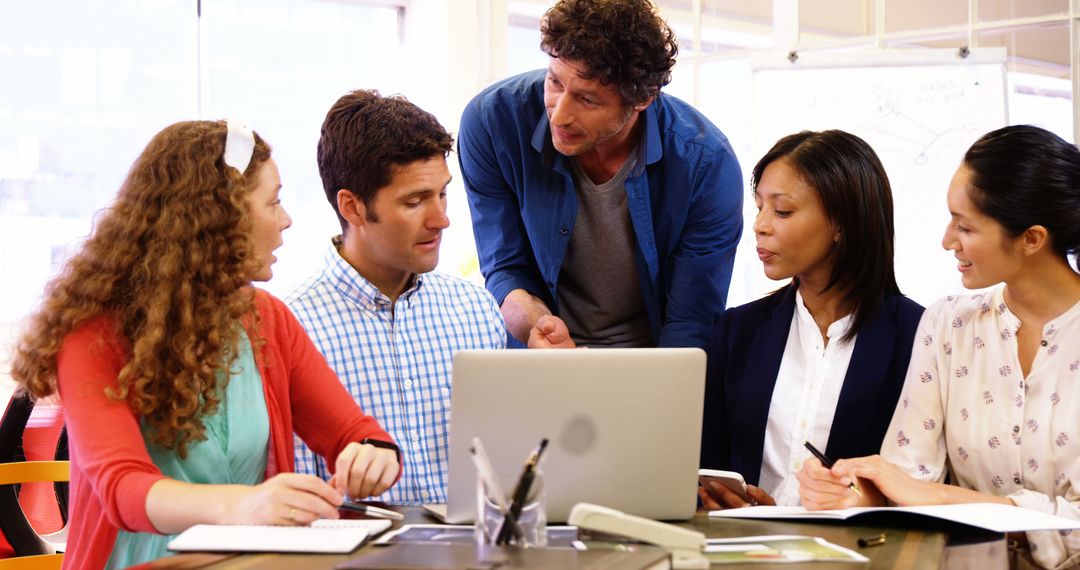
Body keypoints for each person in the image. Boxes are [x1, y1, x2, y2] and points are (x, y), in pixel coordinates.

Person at [8, 120, 401, 569]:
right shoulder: (93, 334)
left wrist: (373, 453)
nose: (287, 219)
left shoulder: (268, 319)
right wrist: (244, 505)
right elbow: (121, 488)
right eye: (273, 202)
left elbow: (355, 432)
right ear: (217, 219)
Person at [797, 125, 1080, 569]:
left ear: (1032, 239)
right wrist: (853, 489)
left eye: (965, 226)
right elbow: (909, 478)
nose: (947, 240)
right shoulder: (949, 324)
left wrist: (940, 497)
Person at [458, 0, 743, 349]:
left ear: (643, 99)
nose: (559, 116)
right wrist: (539, 328)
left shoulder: (706, 164)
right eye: (555, 82)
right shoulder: (492, 123)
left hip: (649, 361)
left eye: (588, 100)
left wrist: (661, 395)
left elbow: (691, 319)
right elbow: (505, 267)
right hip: (539, 356)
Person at [289, 90, 506, 505]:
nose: (442, 219)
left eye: (442, 194)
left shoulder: (477, 311)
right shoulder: (295, 328)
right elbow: (301, 503)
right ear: (352, 207)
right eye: (415, 201)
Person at [699, 130, 924, 508]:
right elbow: (708, 464)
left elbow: (919, 483)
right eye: (760, 208)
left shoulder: (918, 336)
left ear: (842, 222)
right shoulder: (737, 331)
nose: (761, 225)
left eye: (782, 210)